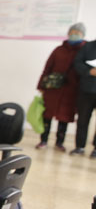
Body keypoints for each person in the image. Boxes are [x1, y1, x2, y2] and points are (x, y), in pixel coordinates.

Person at [35, 23, 86, 152]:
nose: (74, 35)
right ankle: (43, 140)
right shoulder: (58, 50)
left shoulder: (84, 51)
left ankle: (59, 142)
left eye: (77, 33)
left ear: (83, 35)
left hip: (71, 90)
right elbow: (47, 67)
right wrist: (41, 85)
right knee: (47, 116)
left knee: (64, 118)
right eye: (72, 32)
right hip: (53, 88)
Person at [69, 25, 96, 157]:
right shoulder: (88, 46)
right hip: (86, 90)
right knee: (82, 120)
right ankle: (79, 146)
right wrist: (89, 71)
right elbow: (77, 63)